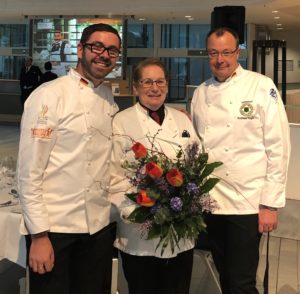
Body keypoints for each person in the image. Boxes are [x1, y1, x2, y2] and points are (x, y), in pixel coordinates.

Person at [17, 23, 121, 294]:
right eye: (97, 46)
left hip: (98, 227)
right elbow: (29, 172)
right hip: (55, 228)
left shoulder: (109, 98)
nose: (104, 54)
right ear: (80, 49)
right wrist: (39, 235)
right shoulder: (48, 95)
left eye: (112, 50)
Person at [191, 27, 291, 293]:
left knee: (241, 281)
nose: (220, 59)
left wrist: (269, 203)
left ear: (238, 53)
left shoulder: (260, 86)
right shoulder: (200, 92)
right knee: (225, 274)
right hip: (211, 203)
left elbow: (278, 147)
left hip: (246, 202)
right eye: (213, 53)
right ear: (207, 55)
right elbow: (200, 146)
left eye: (226, 52)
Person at [109, 58, 200, 294]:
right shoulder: (121, 121)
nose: (154, 87)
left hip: (180, 232)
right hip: (139, 231)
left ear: (167, 85)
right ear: (136, 87)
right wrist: (138, 209)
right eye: (147, 81)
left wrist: (187, 204)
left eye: (160, 81)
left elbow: (197, 162)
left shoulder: (182, 120)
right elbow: (113, 173)